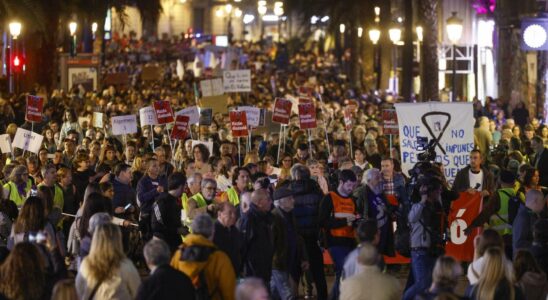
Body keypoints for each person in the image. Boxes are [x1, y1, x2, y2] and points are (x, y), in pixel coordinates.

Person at [171, 214, 236, 300]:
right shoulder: (219, 258)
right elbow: (229, 293)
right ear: (212, 232)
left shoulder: (178, 255)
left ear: (193, 230)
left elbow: (170, 285)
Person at [403, 175, 446, 300]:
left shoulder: (438, 206)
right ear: (431, 191)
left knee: (430, 284)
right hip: (419, 250)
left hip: (433, 250)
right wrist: (423, 200)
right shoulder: (419, 206)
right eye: (438, 190)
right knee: (422, 284)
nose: (440, 192)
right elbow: (411, 218)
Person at [288, 164, 327, 300]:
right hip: (312, 237)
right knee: (318, 272)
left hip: (296, 238)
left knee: (294, 273)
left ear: (294, 176)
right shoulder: (316, 190)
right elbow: (323, 212)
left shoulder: (289, 190)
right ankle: (323, 297)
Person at [319, 169, 358, 300]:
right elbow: (323, 221)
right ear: (341, 182)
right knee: (343, 271)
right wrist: (345, 221)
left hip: (350, 241)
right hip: (334, 241)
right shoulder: (329, 198)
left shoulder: (353, 199)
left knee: (346, 272)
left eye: (353, 185)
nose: (351, 188)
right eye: (349, 185)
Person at [75, 223, 141, 299]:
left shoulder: (86, 263)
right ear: (118, 240)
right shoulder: (126, 266)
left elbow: (79, 289)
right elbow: (137, 292)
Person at [466, 169, 517, 257]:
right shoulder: (520, 195)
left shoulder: (498, 195)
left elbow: (486, 213)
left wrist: (472, 225)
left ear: (500, 181)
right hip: (516, 237)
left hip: (500, 239)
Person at [270, 184, 308, 300]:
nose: (293, 201)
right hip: (278, 264)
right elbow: (270, 243)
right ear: (280, 202)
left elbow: (298, 238)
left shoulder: (290, 215)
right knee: (287, 295)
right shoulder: (274, 218)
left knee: (274, 293)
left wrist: (303, 257)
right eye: (290, 198)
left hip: (288, 262)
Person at [353, 168, 395, 256]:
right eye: (377, 178)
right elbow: (357, 211)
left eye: (380, 177)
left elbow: (387, 208)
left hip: (382, 233)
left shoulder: (380, 192)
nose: (380, 180)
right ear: (368, 180)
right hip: (370, 234)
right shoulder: (361, 192)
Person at [239, 188, 274, 286]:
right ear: (259, 203)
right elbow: (242, 246)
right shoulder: (249, 220)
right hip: (253, 273)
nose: (271, 202)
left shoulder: (265, 218)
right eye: (268, 199)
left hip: (264, 271)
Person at [151, 172, 187, 252]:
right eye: (185, 185)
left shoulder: (175, 200)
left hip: (173, 244)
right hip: (162, 246)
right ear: (180, 186)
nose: (186, 188)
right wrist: (177, 230)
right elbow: (156, 227)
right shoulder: (162, 201)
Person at [136, 158, 167, 241]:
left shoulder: (163, 180)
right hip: (147, 216)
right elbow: (141, 198)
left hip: (161, 216)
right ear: (148, 168)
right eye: (154, 166)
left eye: (158, 166)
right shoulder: (142, 182)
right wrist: (155, 191)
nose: (157, 168)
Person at [213, 202, 243, 274]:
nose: (233, 216)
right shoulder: (213, 231)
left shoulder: (234, 229)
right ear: (220, 214)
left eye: (234, 213)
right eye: (230, 213)